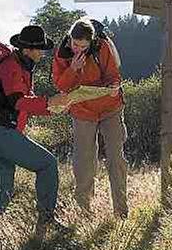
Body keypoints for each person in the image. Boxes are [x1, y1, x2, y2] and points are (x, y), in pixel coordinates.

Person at [0, 25, 71, 250]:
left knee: (3, 183)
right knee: (47, 164)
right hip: (1, 133)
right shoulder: (12, 67)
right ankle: (46, 220)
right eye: (40, 50)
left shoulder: (19, 65)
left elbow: (22, 105)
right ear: (29, 49)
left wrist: (53, 109)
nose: (42, 54)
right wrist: (50, 101)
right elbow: (18, 102)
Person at [53, 18, 128, 219]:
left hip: (110, 108)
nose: (77, 49)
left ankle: (121, 212)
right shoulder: (63, 53)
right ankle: (83, 213)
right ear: (70, 38)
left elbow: (113, 74)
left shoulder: (101, 45)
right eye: (75, 44)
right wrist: (73, 69)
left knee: (115, 158)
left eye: (83, 46)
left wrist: (113, 87)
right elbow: (61, 86)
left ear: (92, 42)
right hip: (82, 111)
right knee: (84, 161)